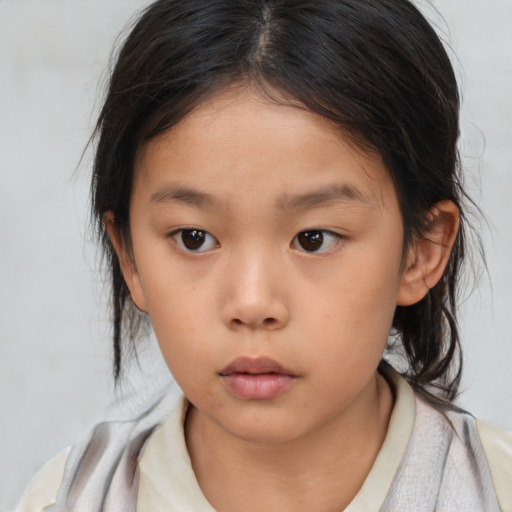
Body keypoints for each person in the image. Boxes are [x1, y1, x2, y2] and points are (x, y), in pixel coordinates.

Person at [15, 0, 512, 510]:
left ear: (421, 251)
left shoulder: (495, 490)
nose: (252, 304)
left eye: (314, 238)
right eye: (193, 238)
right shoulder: (70, 498)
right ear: (131, 256)